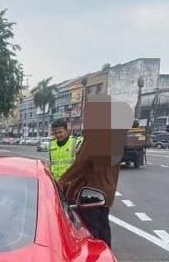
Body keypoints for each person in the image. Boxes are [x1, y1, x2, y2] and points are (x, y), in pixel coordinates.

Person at [56, 96, 130, 246]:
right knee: (103, 229)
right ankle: (106, 258)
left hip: (90, 192)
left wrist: (61, 181)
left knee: (90, 232)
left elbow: (82, 163)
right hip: (106, 193)